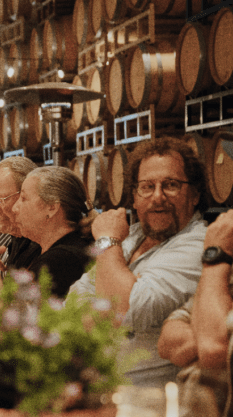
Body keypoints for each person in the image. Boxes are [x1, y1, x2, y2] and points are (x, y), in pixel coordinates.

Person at [71, 136, 207, 388]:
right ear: (134, 197)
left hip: (149, 405)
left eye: (171, 185)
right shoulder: (130, 235)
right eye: (147, 186)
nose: (157, 197)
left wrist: (108, 240)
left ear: (195, 194)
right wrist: (108, 247)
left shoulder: (199, 244)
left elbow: (127, 310)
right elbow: (74, 298)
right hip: (100, 391)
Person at [158, 131, 233, 417]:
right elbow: (169, 338)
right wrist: (219, 320)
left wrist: (215, 259)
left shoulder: (224, 248)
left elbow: (212, 347)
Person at [12, 166, 94, 297]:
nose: (14, 208)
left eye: (23, 198)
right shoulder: (45, 252)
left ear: (52, 207)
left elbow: (16, 313)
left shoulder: (60, 261)